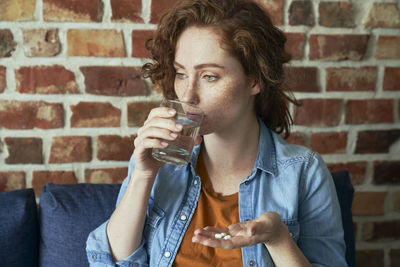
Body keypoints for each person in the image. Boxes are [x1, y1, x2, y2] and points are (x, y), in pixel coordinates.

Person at [86, 0, 347, 266]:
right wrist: (143, 174)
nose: (188, 95)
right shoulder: (158, 160)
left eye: (209, 76)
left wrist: (278, 238)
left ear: (254, 79)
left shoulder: (304, 172)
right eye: (181, 73)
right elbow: (110, 262)